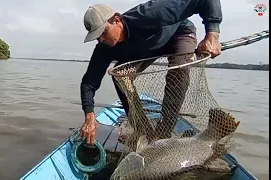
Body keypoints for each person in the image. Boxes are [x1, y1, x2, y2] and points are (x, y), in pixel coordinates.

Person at [80, 0, 222, 145]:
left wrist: (212, 34)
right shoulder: (105, 47)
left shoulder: (150, 14)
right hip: (148, 50)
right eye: (97, 36)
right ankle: (142, 129)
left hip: (178, 35)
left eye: (103, 32)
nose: (101, 39)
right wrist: (89, 116)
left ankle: (164, 131)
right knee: (120, 74)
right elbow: (89, 83)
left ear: (116, 20)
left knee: (178, 69)